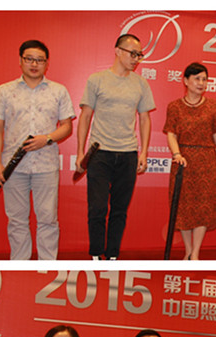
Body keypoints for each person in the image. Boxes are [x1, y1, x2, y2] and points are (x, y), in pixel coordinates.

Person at [0, 39, 74, 259]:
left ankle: (47, 266)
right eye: (29, 59)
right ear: (20, 60)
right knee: (17, 220)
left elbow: (67, 126)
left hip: (46, 165)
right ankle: (19, 265)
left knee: (48, 219)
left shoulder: (58, 91)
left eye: (40, 60)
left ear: (47, 63)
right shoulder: (4, 91)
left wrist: (47, 138)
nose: (34, 64)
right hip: (12, 167)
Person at [76, 34, 155, 260]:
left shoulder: (141, 83)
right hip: (99, 153)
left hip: (128, 154)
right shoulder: (97, 79)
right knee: (97, 208)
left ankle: (112, 255)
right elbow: (85, 116)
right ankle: (95, 254)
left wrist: (144, 152)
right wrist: (80, 152)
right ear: (118, 51)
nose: (136, 59)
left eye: (139, 55)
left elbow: (145, 119)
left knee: (119, 209)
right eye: (133, 54)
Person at [164, 62, 216, 260]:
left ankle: (196, 253)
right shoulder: (174, 106)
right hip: (183, 162)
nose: (201, 83)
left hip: (206, 162)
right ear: (186, 81)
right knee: (183, 208)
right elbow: (171, 133)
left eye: (204, 79)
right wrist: (176, 154)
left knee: (203, 208)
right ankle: (188, 250)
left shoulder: (213, 106)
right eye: (197, 79)